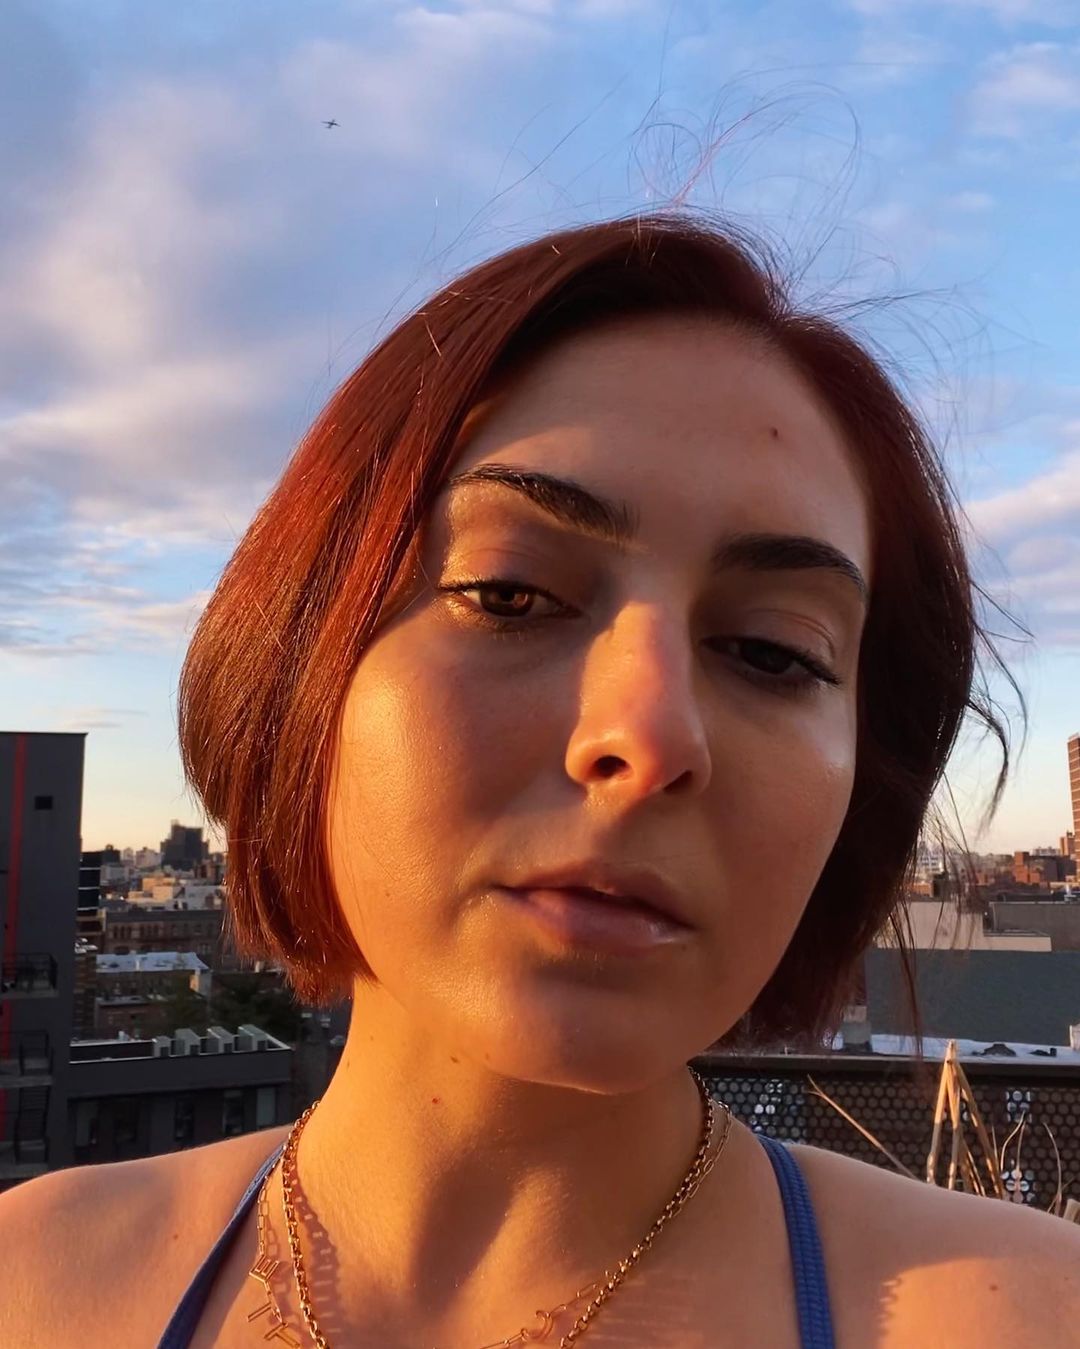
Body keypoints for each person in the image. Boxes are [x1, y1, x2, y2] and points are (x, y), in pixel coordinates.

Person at [3, 213, 1078, 1348]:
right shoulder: (34, 1285)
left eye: (774, 651)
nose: (650, 735)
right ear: (300, 661)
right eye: (509, 593)